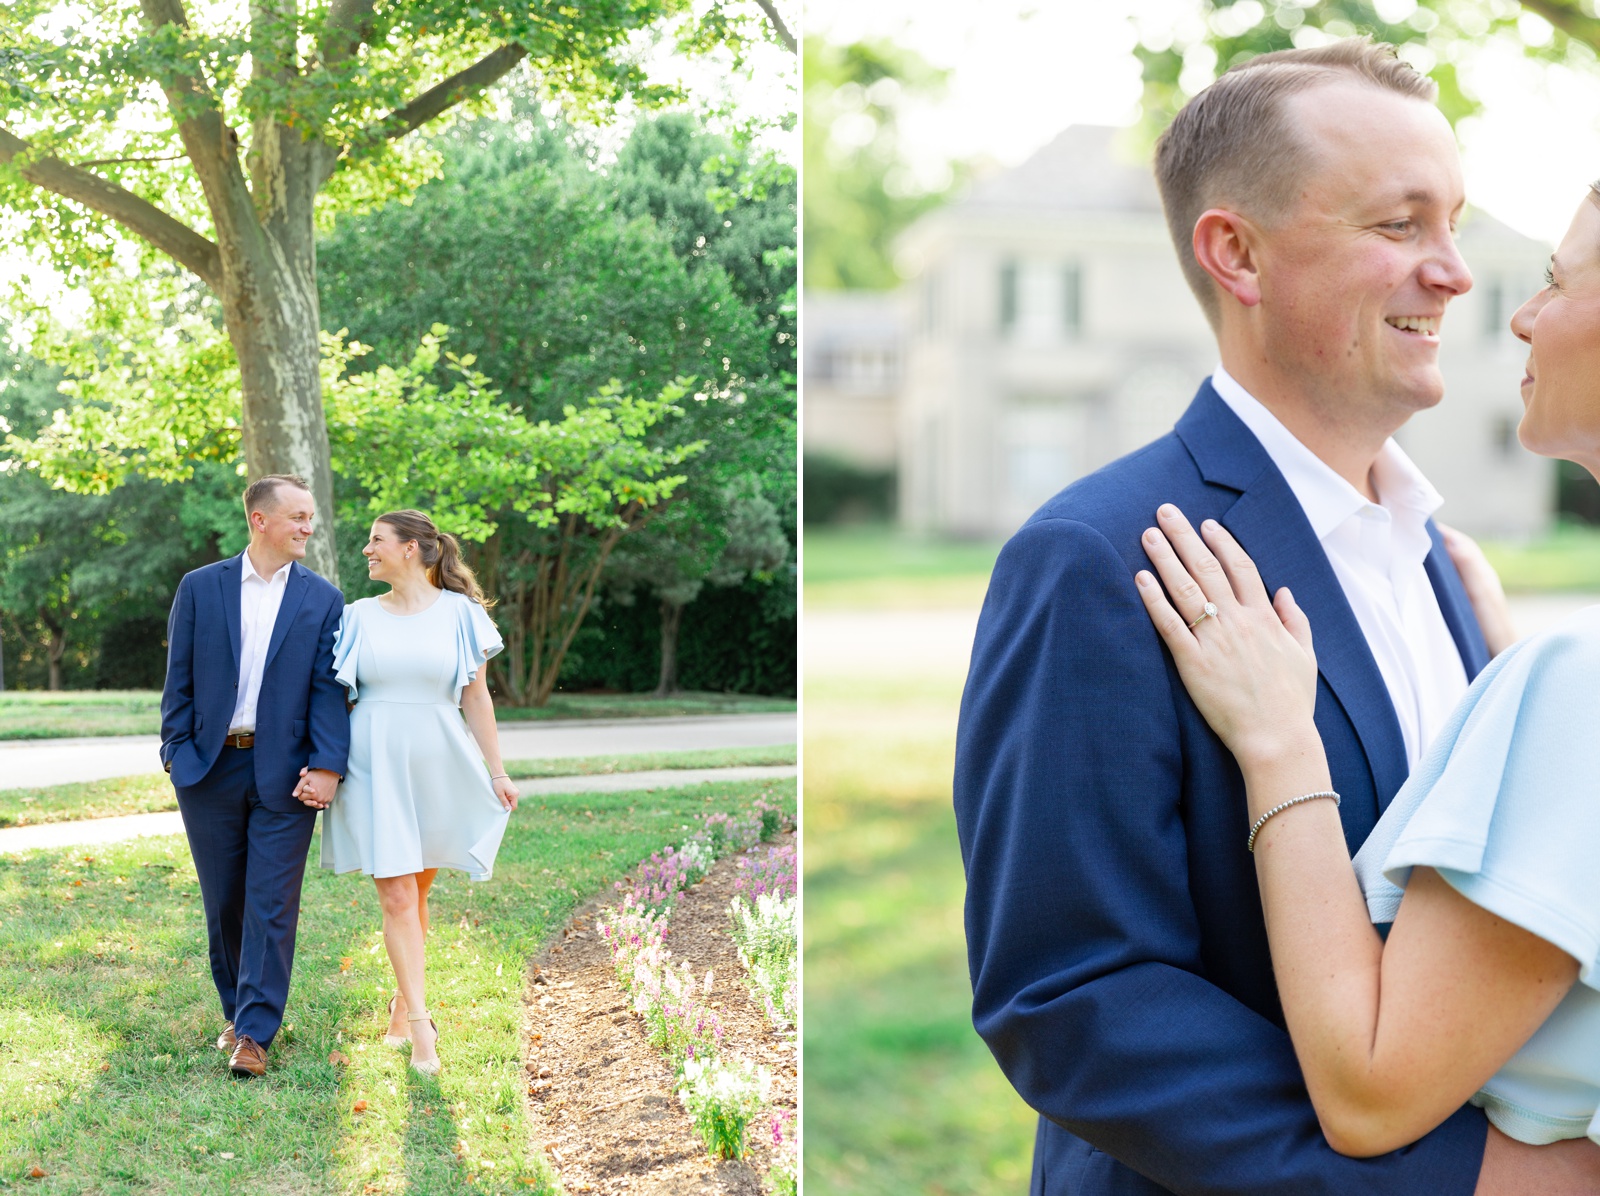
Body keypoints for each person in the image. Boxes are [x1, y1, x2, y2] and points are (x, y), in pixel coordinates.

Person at [952, 38, 1600, 1194]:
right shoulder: (1096, 559)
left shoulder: (1446, 564)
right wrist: (1472, 1177)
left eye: (1451, 225)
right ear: (1236, 252)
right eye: (1399, 227)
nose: (1455, 274)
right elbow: (1072, 998)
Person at [1133, 180, 1600, 1161]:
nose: (1512, 311)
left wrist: (1279, 742)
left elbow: (1370, 1090)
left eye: (1556, 282)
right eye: (1397, 225)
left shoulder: (1574, 683)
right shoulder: (1530, 657)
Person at [160, 474, 350, 1079]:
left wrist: (326, 766)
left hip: (288, 771)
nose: (307, 527)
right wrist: (175, 751)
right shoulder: (199, 587)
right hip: (208, 767)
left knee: (271, 902)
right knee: (225, 902)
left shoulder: (323, 599)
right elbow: (179, 679)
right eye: (297, 516)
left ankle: (254, 1035)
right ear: (260, 520)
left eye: (311, 517)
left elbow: (329, 691)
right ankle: (236, 1015)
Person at [318, 509, 519, 1076]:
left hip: (438, 760)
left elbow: (476, 697)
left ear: (410, 549)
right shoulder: (357, 616)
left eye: (376, 540)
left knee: (419, 891)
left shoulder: (461, 615)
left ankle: (402, 1003)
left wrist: (497, 771)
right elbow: (338, 700)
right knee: (398, 896)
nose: (366, 550)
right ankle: (421, 1027)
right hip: (374, 762)